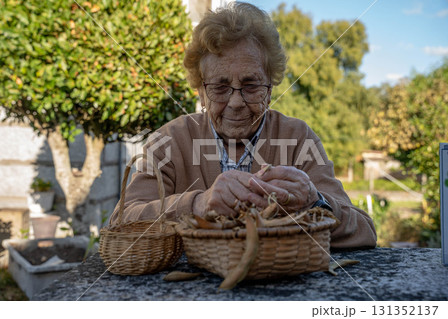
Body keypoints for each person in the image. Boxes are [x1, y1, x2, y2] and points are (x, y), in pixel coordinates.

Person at [110, 2, 377, 248]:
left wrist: (316, 203)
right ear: (201, 92)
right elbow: (120, 223)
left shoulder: (298, 138)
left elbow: (364, 230)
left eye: (251, 85)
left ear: (270, 89)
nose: (236, 102)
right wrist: (197, 205)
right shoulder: (167, 141)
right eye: (220, 86)